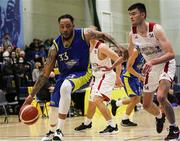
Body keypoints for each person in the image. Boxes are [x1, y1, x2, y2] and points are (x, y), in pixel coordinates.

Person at [23, 14, 127, 141]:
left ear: (73, 26)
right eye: (62, 27)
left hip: (83, 72)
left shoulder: (85, 34)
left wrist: (119, 46)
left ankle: (59, 131)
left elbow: (104, 35)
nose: (65, 29)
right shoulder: (55, 47)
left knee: (67, 87)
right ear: (59, 28)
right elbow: (45, 74)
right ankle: (51, 131)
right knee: (54, 106)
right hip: (64, 75)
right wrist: (31, 95)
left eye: (68, 26)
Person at [128, 3, 179, 140]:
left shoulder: (156, 29)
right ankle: (159, 116)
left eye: (134, 13)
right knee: (146, 105)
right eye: (130, 14)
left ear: (143, 14)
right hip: (151, 67)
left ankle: (174, 129)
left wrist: (150, 62)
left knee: (161, 97)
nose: (131, 16)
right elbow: (130, 51)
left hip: (165, 63)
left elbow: (171, 54)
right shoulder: (132, 33)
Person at [74, 27, 124, 134]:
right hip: (97, 77)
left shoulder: (102, 47)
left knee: (97, 99)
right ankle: (87, 123)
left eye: (91, 32)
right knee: (91, 101)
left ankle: (112, 126)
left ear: (96, 34)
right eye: (88, 32)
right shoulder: (87, 47)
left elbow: (119, 60)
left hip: (106, 76)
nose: (88, 34)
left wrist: (118, 77)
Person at [111, 47, 145, 127]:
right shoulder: (136, 51)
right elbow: (128, 68)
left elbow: (137, 66)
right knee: (135, 99)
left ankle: (116, 104)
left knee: (137, 99)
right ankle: (125, 120)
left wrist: (141, 73)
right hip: (128, 77)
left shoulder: (144, 51)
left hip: (135, 77)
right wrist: (140, 76)